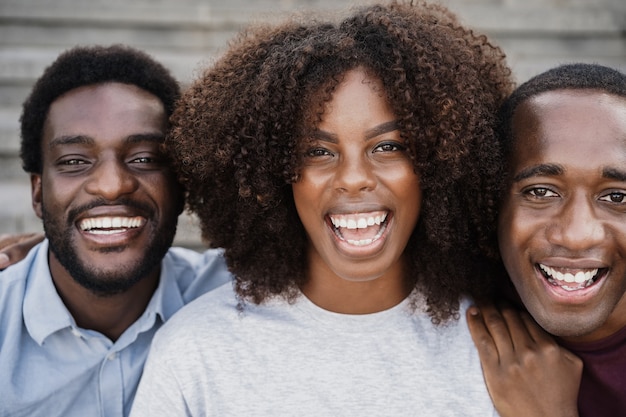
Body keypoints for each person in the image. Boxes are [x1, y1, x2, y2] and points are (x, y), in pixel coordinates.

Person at [130, 2, 514, 415]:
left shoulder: (503, 355)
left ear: (442, 162)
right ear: (271, 173)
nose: (353, 177)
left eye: (388, 147)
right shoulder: (195, 352)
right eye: (317, 151)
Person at [0, 44, 231, 417]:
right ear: (38, 193)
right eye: (74, 161)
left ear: (181, 187)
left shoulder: (233, 295)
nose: (111, 185)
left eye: (144, 159)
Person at [468, 63, 626, 417]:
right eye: (541, 191)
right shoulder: (455, 311)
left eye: (617, 198)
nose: (576, 235)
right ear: (491, 202)